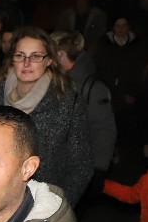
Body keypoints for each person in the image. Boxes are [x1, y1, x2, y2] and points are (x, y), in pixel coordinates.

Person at [0, 27, 92, 200]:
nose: (26, 63)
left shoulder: (67, 103)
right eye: (20, 55)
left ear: (49, 60)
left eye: (35, 56)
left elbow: (81, 165)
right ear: (12, 59)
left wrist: (57, 205)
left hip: (43, 203)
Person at [49, 31, 117, 197]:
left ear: (61, 55)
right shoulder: (51, 81)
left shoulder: (91, 88)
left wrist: (98, 170)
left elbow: (104, 129)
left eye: (48, 54)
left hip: (77, 170)